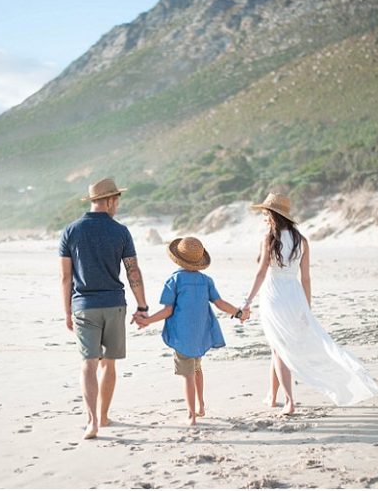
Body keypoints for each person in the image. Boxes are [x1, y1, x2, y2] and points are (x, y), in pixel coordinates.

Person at [244, 193, 378, 414]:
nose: (263, 217)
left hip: (274, 297)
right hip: (295, 296)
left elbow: (260, 273)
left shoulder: (269, 239)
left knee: (279, 349)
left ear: (274, 215)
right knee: (277, 347)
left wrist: (247, 301)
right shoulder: (301, 240)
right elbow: (306, 278)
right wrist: (306, 308)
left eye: (265, 214)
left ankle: (289, 401)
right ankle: (272, 396)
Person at [59, 178, 150, 439]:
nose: (117, 205)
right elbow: (133, 271)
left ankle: (92, 422)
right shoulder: (120, 231)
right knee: (108, 364)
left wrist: (67, 312)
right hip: (114, 305)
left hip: (83, 306)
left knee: (88, 363)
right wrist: (142, 306)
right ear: (109, 201)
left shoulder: (71, 231)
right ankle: (104, 416)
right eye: (117, 200)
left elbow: (65, 277)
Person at [134, 237, 247, 425]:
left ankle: (191, 415)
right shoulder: (206, 280)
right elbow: (220, 303)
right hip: (200, 334)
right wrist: (239, 312)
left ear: (177, 258)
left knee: (187, 375)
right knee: (197, 369)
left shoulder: (174, 280)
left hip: (182, 335)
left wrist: (148, 320)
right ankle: (200, 406)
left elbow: (167, 310)